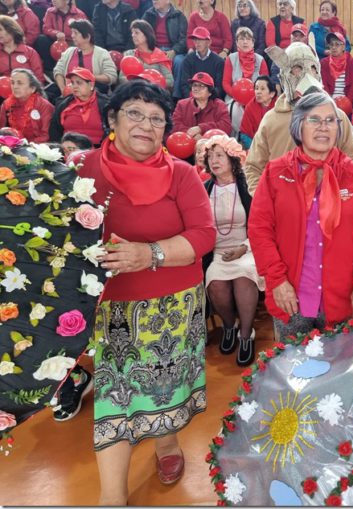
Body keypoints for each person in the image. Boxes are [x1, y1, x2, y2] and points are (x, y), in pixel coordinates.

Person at [77, 80, 216, 504]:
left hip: (173, 305)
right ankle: (112, 498)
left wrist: (149, 253)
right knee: (114, 398)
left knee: (164, 387)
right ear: (112, 119)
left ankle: (167, 443)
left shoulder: (181, 173)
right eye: (134, 113)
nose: (146, 125)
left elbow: (204, 234)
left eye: (156, 118)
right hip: (112, 309)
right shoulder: (83, 170)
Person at [248, 92, 353, 338]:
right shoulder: (276, 172)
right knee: (292, 362)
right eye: (315, 120)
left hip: (343, 299)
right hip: (290, 298)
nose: (324, 127)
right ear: (298, 126)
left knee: (341, 361)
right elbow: (259, 229)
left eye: (331, 120)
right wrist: (277, 280)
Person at [244, 42, 353, 194]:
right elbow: (253, 167)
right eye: (298, 68)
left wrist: (340, 197)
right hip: (284, 204)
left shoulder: (337, 117)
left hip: (327, 205)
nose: (307, 75)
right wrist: (265, 200)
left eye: (313, 68)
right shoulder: (271, 120)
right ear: (285, 75)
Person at [201, 135, 262, 365]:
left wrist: (244, 247)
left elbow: (261, 224)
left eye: (219, 155)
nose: (214, 161)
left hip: (248, 247)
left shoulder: (248, 185)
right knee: (215, 282)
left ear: (232, 158)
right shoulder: (204, 189)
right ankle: (229, 326)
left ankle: (246, 335)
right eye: (210, 156)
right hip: (217, 251)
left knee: (244, 277)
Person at [222, 26, 268, 137]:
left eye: (248, 39)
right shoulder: (230, 58)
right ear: (237, 43)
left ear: (253, 43)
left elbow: (265, 83)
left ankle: (257, 138)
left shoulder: (260, 59)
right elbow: (225, 83)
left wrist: (255, 97)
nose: (245, 42)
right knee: (234, 110)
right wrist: (238, 97)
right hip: (234, 98)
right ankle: (238, 137)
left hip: (257, 97)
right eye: (242, 39)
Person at [53, 20, 118, 95]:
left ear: (87, 37)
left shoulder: (102, 53)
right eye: (72, 32)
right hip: (69, 94)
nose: (72, 36)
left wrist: (89, 76)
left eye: (75, 33)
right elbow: (58, 71)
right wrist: (63, 89)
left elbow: (112, 76)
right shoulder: (68, 52)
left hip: (93, 94)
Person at [141, 0, 188, 96]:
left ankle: (176, 96)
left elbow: (184, 39)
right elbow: (142, 34)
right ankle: (149, 94)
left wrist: (174, 51)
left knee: (179, 61)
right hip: (153, 49)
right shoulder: (148, 14)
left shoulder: (178, 16)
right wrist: (152, 50)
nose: (154, 1)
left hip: (172, 50)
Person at [50, 67, 107, 145]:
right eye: (72, 83)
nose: (75, 86)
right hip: (69, 149)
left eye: (79, 83)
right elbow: (54, 131)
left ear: (91, 84)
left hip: (99, 148)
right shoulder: (63, 104)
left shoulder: (105, 103)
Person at [171, 72, 231, 139]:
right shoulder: (182, 104)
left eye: (201, 86)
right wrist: (193, 135)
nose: (196, 89)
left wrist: (201, 128)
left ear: (210, 92)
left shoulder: (220, 105)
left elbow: (226, 127)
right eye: (194, 85)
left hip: (212, 143)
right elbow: (174, 126)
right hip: (186, 142)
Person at [33, 0, 87, 73]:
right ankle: (50, 70)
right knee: (41, 39)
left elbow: (84, 33)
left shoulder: (79, 14)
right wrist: (56, 33)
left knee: (79, 47)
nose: (53, 1)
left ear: (67, 1)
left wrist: (72, 36)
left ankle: (73, 71)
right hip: (55, 40)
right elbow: (46, 28)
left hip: (71, 42)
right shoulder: (50, 12)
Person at [0, 69, 53, 142]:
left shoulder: (44, 106)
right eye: (12, 83)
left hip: (37, 145)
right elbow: (1, 131)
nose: (15, 87)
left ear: (33, 88)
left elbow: (46, 136)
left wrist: (25, 144)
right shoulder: (6, 104)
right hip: (12, 144)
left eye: (20, 83)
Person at [119, 20, 174, 90]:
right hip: (133, 90)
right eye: (132, 33)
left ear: (147, 35)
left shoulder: (160, 55)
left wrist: (150, 82)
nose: (133, 35)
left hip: (154, 91)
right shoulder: (129, 54)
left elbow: (170, 81)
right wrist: (139, 84)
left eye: (136, 32)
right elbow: (121, 78)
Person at [177, 27, 225, 99]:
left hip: (212, 100)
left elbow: (219, 88)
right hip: (192, 99)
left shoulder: (219, 62)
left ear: (209, 42)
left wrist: (206, 100)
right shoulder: (187, 60)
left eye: (200, 39)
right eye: (195, 40)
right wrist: (195, 99)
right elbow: (184, 86)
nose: (197, 43)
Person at [0, 15, 44, 84]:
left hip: (27, 89)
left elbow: (39, 78)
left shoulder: (30, 52)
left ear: (11, 30)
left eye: (0, 30)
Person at [320, 32, 353, 107]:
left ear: (343, 47)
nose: (334, 47)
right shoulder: (324, 63)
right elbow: (324, 85)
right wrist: (331, 102)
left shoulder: (351, 61)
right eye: (331, 45)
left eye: (337, 44)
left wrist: (346, 104)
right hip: (330, 101)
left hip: (348, 101)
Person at [239, 75, 276, 149]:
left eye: (262, 89)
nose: (258, 92)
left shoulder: (279, 106)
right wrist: (256, 149)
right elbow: (244, 134)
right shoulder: (250, 107)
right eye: (256, 88)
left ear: (272, 94)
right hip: (255, 146)